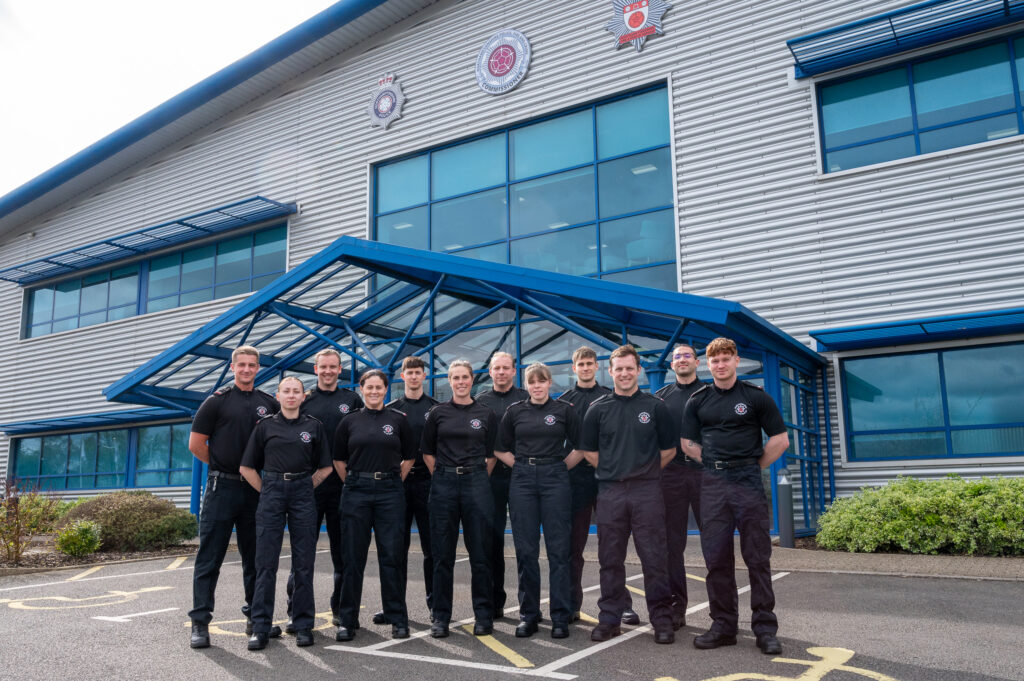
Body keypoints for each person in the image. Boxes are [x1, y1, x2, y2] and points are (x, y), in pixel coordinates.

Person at [681, 337, 789, 656]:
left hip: (748, 481)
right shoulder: (698, 400)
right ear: (707, 364)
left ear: (736, 361)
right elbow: (687, 444)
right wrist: (715, 464)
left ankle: (765, 629)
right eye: (714, 360)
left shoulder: (756, 397)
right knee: (716, 559)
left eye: (726, 358)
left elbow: (780, 440)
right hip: (713, 483)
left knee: (757, 557)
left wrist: (751, 466)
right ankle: (724, 626)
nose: (720, 364)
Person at [579, 344, 676, 644]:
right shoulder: (598, 409)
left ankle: (661, 619)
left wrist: (642, 471)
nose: (624, 373)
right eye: (618, 368)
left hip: (647, 491)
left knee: (654, 557)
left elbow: (669, 450)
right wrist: (615, 471)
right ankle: (609, 618)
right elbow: (588, 451)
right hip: (610, 491)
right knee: (610, 558)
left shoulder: (656, 406)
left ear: (638, 370)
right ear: (610, 371)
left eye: (629, 368)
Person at [188, 345, 280, 649]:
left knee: (256, 558)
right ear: (232, 367)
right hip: (221, 488)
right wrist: (222, 465)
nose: (246, 369)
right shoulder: (216, 402)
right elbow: (196, 444)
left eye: (252, 365)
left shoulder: (270, 403)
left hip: (255, 490)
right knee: (209, 557)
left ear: (258, 368)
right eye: (241, 365)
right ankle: (200, 622)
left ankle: (256, 617)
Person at [239, 376, 333, 650]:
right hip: (272, 492)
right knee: (265, 564)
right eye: (286, 391)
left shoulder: (314, 427)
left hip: (303, 491)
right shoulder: (265, 426)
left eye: (296, 392)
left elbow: (325, 467)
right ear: (278, 395)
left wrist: (306, 486)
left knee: (304, 563)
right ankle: (260, 627)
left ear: (304, 397)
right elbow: (247, 467)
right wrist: (268, 489)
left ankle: (303, 625)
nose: (291, 395)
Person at [495, 362, 581, 639]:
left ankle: (560, 615)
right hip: (522, 481)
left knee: (558, 550)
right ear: (527, 384)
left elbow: (580, 447)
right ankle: (529, 615)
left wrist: (557, 468)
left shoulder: (564, 410)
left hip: (555, 478)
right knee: (526, 551)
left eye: (541, 381)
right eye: (532, 382)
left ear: (549, 383)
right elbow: (499, 448)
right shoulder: (514, 411)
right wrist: (523, 466)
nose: (537, 386)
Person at [559, 347, 640, 627]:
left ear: (598, 367)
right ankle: (571, 605)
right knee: (573, 548)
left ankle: (621, 604)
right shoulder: (564, 402)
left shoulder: (609, 397)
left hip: (607, 480)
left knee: (612, 546)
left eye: (590, 363)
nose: (585, 367)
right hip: (575, 483)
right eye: (580, 363)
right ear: (574, 368)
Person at [332, 369, 416, 642]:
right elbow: (339, 461)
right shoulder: (349, 421)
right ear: (362, 388)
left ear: (386, 389)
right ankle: (347, 620)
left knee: (391, 557)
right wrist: (356, 482)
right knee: (352, 558)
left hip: (390, 492)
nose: (374, 391)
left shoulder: (398, 420)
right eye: (369, 387)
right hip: (356, 491)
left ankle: (397, 618)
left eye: (379, 387)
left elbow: (409, 458)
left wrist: (391, 481)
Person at [284, 348, 363, 632]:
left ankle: (341, 610)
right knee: (302, 554)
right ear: (315, 369)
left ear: (339, 370)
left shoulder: (352, 399)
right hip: (309, 489)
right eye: (323, 367)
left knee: (344, 555)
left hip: (343, 488)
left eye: (333, 367)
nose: (328, 371)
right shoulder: (305, 400)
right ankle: (296, 611)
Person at [421, 359, 499, 638]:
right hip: (443, 484)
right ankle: (441, 617)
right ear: (450, 381)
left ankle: (483, 615)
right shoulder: (437, 413)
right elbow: (427, 452)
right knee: (443, 555)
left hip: (477, 482)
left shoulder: (486, 413)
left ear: (472, 379)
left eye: (465, 377)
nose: (461, 381)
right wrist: (445, 475)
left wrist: (474, 476)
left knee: (480, 554)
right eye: (456, 377)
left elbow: (491, 455)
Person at [372, 355, 440, 626]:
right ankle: (393, 607)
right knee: (394, 550)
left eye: (418, 372)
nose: (413, 376)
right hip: (396, 485)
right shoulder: (391, 409)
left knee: (431, 549)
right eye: (409, 372)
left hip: (427, 483)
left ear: (425, 376)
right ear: (402, 376)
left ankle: (436, 607)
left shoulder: (436, 409)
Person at [654, 343, 706, 629]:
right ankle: (677, 606)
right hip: (670, 476)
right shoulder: (660, 399)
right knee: (672, 546)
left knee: (715, 544)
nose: (682, 360)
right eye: (677, 357)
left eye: (687, 355)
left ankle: (723, 612)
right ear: (672, 365)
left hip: (704, 476)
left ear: (697, 362)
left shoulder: (710, 394)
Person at [474, 351, 528, 620]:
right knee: (491, 542)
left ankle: (528, 606)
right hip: (490, 479)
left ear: (514, 370)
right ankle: (494, 602)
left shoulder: (527, 399)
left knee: (524, 542)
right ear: (491, 372)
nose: (501, 372)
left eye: (506, 368)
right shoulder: (481, 402)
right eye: (496, 368)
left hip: (521, 478)